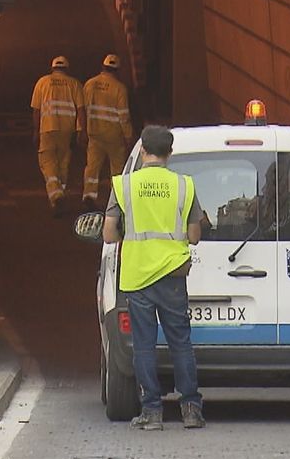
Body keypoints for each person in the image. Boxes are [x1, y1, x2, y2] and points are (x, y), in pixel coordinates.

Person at [103, 125, 206, 430]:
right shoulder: (184, 186)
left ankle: (152, 412)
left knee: (144, 345)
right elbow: (195, 235)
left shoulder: (124, 186)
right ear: (169, 154)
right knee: (181, 344)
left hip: (137, 277)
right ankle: (190, 410)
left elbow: (109, 233)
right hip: (173, 275)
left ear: (143, 151)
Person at [30, 56, 86, 214]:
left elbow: (36, 110)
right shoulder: (74, 84)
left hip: (47, 127)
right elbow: (81, 110)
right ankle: (58, 196)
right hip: (67, 129)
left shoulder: (42, 82)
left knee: (47, 162)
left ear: (52, 68)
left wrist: (36, 130)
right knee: (63, 161)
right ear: (67, 69)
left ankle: (56, 195)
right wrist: (81, 131)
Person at [81, 54, 134, 210]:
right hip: (114, 136)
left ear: (103, 67)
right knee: (117, 170)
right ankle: (115, 201)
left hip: (95, 134)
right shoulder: (120, 88)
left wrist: (82, 130)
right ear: (117, 70)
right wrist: (129, 136)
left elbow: (83, 110)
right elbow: (123, 116)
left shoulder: (89, 84)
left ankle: (88, 196)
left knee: (92, 167)